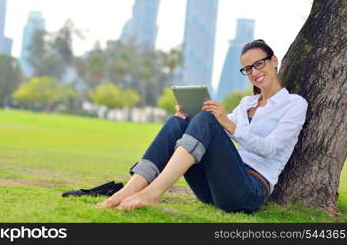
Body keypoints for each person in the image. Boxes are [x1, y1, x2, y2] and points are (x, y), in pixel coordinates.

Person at [96, 39, 308, 214]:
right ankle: (130, 189)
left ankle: (153, 192)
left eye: (259, 64)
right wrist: (189, 117)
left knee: (207, 119)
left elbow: (270, 149)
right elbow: (211, 128)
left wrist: (228, 124)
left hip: (248, 191)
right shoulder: (247, 104)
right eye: (248, 68)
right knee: (179, 121)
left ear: (273, 61)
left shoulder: (294, 104)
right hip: (212, 189)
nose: (254, 72)